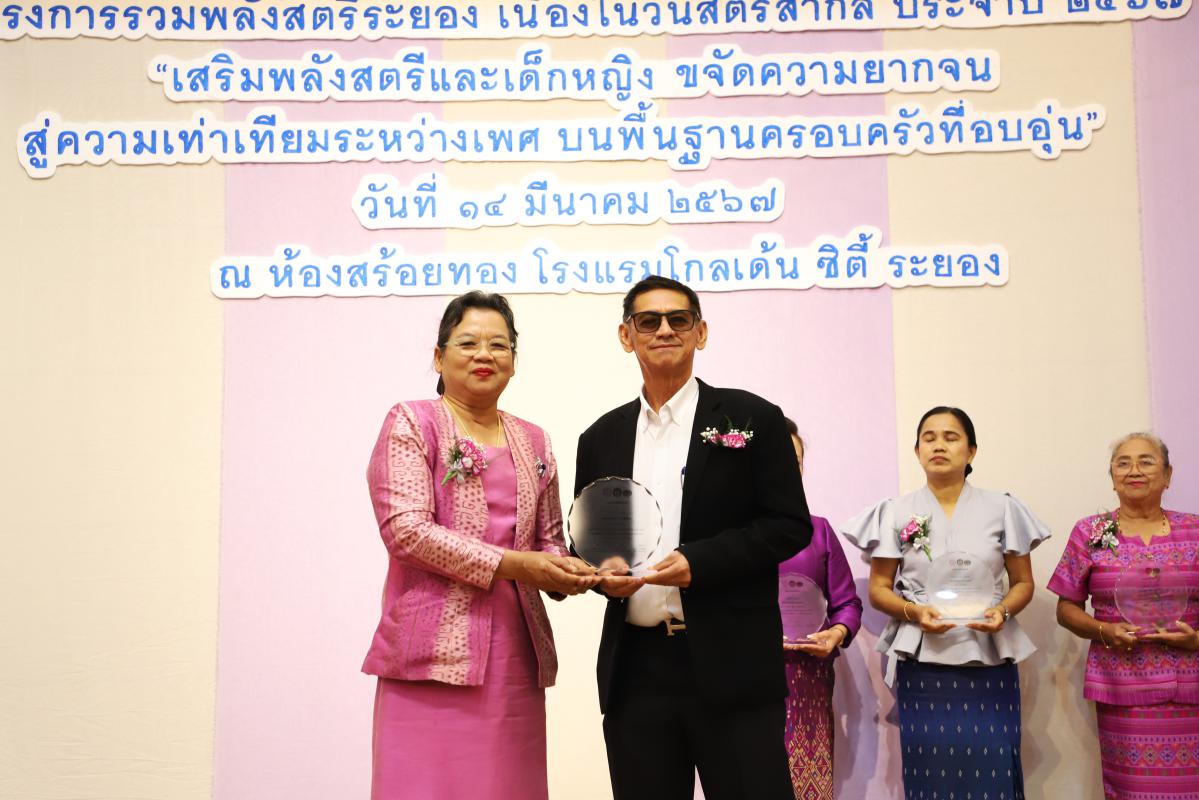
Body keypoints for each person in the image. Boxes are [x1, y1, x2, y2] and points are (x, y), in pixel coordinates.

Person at [574, 276, 813, 800]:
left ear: (700, 332)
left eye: (678, 319)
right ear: (626, 335)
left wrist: (698, 563)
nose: (664, 330)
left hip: (734, 664)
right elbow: (588, 538)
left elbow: (788, 524)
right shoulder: (600, 437)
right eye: (648, 321)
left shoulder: (754, 418)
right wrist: (602, 572)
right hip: (635, 671)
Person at [362, 291, 597, 800]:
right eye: (468, 343)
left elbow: (549, 543)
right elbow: (407, 531)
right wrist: (518, 564)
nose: (484, 354)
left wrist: (578, 572)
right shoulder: (412, 421)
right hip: (429, 654)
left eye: (499, 344)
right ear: (439, 356)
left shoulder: (534, 439)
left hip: (514, 655)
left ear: (514, 358)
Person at [841, 406, 1049, 800]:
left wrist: (1002, 611)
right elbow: (880, 589)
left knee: (994, 766)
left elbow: (1023, 583)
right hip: (924, 660)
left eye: (951, 437)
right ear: (917, 451)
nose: (939, 445)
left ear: (971, 451)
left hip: (988, 655)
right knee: (932, 772)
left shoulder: (1003, 508)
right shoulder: (895, 511)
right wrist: (914, 612)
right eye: (929, 437)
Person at [1049, 432, 1199, 799]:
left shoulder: (1196, 530)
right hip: (1123, 686)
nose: (1134, 470)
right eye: (1123, 463)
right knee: (1133, 790)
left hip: (1192, 685)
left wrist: (1197, 639)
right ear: (1113, 477)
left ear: (1168, 475)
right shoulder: (1089, 532)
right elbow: (1066, 609)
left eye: (1146, 461)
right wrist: (1105, 630)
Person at [778, 420, 862, 800]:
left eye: (794, 460)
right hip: (749, 679)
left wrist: (837, 633)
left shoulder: (819, 531)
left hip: (807, 680)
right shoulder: (733, 537)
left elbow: (847, 604)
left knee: (808, 786)